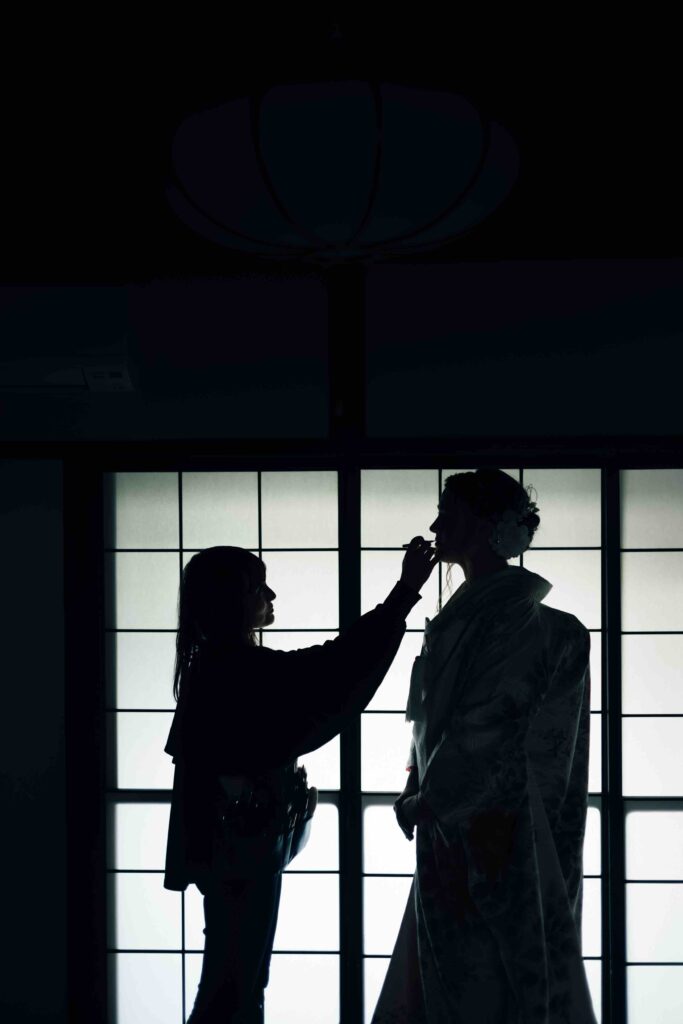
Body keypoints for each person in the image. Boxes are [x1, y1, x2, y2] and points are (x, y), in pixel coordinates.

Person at [163, 538, 437, 1024]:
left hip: (231, 849)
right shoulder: (235, 667)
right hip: (240, 851)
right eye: (258, 588)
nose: (270, 596)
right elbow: (333, 666)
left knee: (234, 979)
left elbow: (327, 667)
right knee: (235, 985)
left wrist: (403, 594)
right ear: (233, 599)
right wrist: (404, 592)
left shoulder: (217, 664)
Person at [372, 468, 597, 1024]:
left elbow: (489, 724)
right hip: (452, 818)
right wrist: (417, 783)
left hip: (494, 826)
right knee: (453, 978)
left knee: (483, 981)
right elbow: (431, 721)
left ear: (484, 524)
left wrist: (427, 800)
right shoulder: (474, 612)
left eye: (447, 514)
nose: (434, 527)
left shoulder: (519, 619)